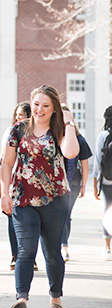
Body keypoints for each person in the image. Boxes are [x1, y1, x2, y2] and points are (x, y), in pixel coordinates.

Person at [0, 85, 79, 308]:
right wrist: (5, 193)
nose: (39, 109)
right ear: (30, 103)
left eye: (46, 105)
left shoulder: (59, 130)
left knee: (53, 252)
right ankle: (21, 299)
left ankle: (56, 299)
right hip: (23, 198)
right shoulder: (18, 130)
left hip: (55, 199)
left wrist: (69, 123)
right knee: (25, 251)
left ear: (54, 108)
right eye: (36, 104)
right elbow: (6, 164)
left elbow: (71, 152)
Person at [0, 102, 32, 271]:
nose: (20, 118)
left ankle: (29, 257)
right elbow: (2, 161)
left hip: (32, 183)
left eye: (24, 114)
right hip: (13, 182)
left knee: (31, 222)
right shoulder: (11, 132)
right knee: (13, 219)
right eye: (18, 114)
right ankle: (15, 255)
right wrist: (1, 187)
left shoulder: (37, 132)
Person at [61, 104, 91, 262]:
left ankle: (63, 245)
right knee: (63, 215)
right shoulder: (56, 136)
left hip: (71, 182)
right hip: (67, 182)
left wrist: (84, 186)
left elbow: (85, 164)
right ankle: (61, 246)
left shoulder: (78, 139)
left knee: (65, 214)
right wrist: (83, 185)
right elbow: (85, 165)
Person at [93, 105, 112, 261]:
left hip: (107, 179)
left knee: (107, 210)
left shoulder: (103, 135)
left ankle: (107, 248)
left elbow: (98, 161)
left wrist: (95, 181)